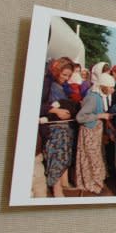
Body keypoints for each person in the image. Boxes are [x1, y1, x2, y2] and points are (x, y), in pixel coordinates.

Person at [39, 58, 76, 197]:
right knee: (56, 158)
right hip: (53, 130)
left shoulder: (60, 86)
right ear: (57, 71)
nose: (66, 78)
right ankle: (56, 189)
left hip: (64, 129)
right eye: (64, 74)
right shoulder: (46, 84)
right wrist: (56, 111)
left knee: (63, 158)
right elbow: (37, 105)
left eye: (68, 76)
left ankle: (61, 185)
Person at [75, 72, 114, 194]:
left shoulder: (98, 96)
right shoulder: (93, 97)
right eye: (110, 87)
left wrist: (104, 118)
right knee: (91, 157)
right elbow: (80, 117)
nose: (112, 90)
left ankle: (96, 180)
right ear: (103, 86)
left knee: (94, 156)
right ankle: (92, 183)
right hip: (89, 132)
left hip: (95, 132)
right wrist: (100, 115)